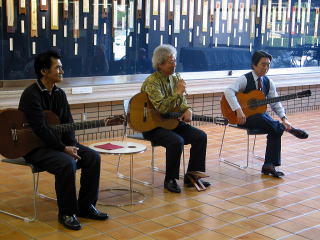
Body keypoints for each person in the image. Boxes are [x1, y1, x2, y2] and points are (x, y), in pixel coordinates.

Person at [18, 50, 108, 230]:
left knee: (92, 157)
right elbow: (40, 130)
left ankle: (86, 206)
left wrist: (71, 144)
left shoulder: (59, 94)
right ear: (44, 71)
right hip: (34, 147)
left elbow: (68, 123)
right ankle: (67, 213)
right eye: (57, 68)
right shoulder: (31, 94)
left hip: (56, 145)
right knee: (67, 163)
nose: (62, 71)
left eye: (61, 67)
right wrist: (63, 148)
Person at [224, 50, 308, 178]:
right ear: (254, 65)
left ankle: (269, 164)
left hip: (260, 117)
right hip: (241, 117)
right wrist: (238, 110)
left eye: (268, 65)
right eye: (263, 64)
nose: (266, 68)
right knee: (268, 121)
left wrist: (284, 118)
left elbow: (276, 103)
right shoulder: (245, 79)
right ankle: (287, 130)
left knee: (272, 125)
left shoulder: (268, 82)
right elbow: (228, 91)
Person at [141, 44, 210, 193]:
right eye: (170, 61)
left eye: (174, 61)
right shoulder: (151, 82)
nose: (174, 64)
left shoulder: (176, 78)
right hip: (152, 126)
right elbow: (162, 108)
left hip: (171, 122)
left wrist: (187, 109)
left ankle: (193, 176)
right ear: (160, 64)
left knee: (200, 136)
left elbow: (182, 102)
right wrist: (178, 92)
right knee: (176, 141)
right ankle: (170, 179)